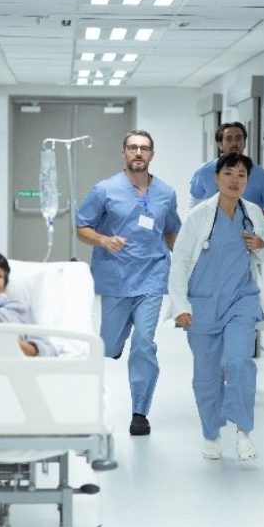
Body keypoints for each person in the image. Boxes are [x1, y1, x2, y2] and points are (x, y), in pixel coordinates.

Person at [75, 130, 181, 436]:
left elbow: (172, 230)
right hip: (116, 277)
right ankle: (116, 342)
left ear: (151, 154)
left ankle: (140, 412)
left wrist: (190, 266)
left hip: (152, 275)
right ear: (124, 153)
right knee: (108, 344)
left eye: (144, 148)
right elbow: (82, 227)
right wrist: (103, 240)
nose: (138, 153)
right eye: (133, 147)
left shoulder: (165, 193)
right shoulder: (104, 190)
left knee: (145, 343)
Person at [169, 152, 264, 461]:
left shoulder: (252, 212)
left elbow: (261, 255)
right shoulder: (199, 216)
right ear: (216, 178)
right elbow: (180, 261)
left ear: (247, 181)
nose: (235, 180)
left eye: (241, 174)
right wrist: (179, 306)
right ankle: (211, 434)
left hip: (242, 299)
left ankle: (243, 432)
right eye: (229, 173)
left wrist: (261, 246)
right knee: (207, 376)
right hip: (202, 304)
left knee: (239, 361)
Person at [188, 122, 264, 224]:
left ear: (244, 143)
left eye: (238, 138)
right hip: (211, 237)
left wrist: (255, 214)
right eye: (229, 139)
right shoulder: (205, 171)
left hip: (247, 237)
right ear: (220, 145)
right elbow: (193, 203)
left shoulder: (261, 176)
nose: (234, 143)